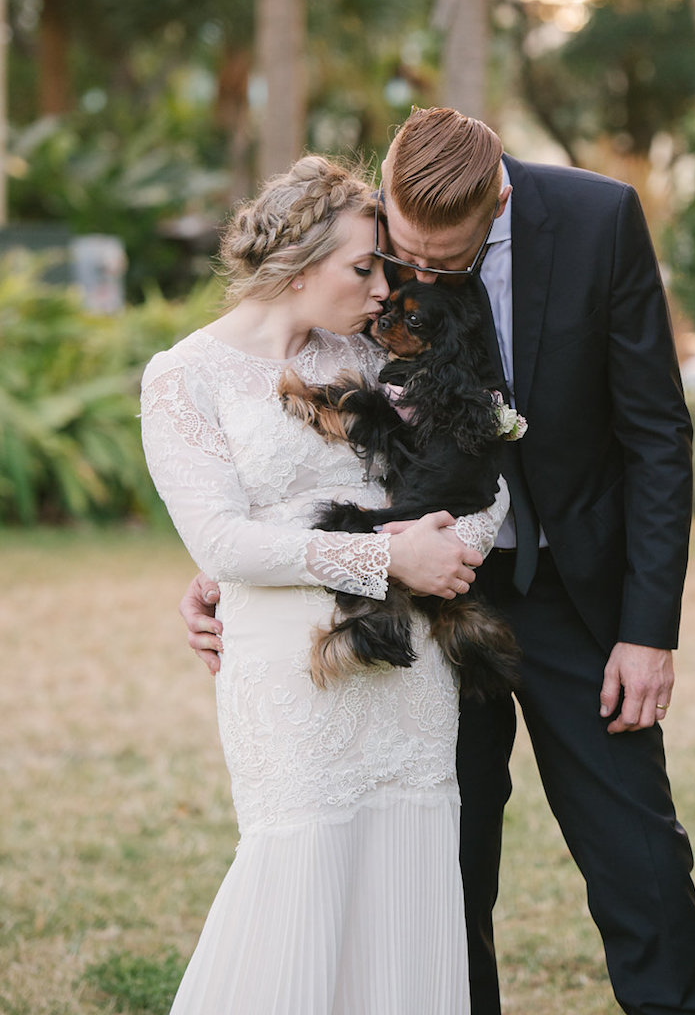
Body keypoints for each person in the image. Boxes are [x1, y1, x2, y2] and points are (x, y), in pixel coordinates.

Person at [182, 109, 695, 1015]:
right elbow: (304, 437)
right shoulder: (365, 246)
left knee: (640, 858)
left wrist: (647, 631)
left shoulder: (599, 220)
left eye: (446, 261)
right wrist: (229, 578)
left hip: (571, 596)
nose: (418, 276)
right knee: (443, 871)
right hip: (417, 608)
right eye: (406, 254)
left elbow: (657, 435)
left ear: (497, 196)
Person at [141, 154, 509, 1015]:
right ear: (299, 265)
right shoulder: (184, 377)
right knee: (299, 869)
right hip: (295, 676)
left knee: (410, 874)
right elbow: (225, 538)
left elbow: (470, 483)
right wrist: (389, 560)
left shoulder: (375, 361)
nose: (386, 287)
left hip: (410, 667)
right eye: (365, 266)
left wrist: (447, 547)